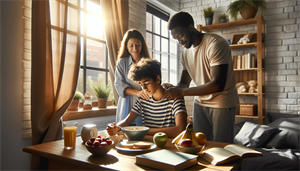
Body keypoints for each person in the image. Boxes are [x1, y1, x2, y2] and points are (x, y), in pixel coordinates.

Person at [165, 11, 239, 143]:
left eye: (180, 35)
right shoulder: (185, 53)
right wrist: (172, 89)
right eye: (176, 38)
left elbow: (217, 84)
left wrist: (181, 92)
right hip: (199, 103)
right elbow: (184, 83)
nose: (179, 41)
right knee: (198, 144)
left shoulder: (215, 44)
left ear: (190, 27)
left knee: (221, 147)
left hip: (221, 101)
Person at [107, 58, 187, 138]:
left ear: (158, 79)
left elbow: (180, 129)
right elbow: (127, 121)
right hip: (147, 145)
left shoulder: (175, 97)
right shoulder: (143, 99)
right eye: (141, 84)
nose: (144, 88)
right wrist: (116, 127)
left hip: (169, 145)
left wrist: (144, 131)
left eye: (147, 83)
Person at [114, 29, 151, 126]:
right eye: (131, 45)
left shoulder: (148, 62)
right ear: (126, 46)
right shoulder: (122, 62)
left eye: (138, 44)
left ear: (142, 45)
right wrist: (137, 93)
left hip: (145, 104)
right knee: (125, 133)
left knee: (144, 133)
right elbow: (119, 84)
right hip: (126, 104)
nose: (135, 48)